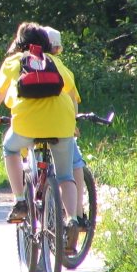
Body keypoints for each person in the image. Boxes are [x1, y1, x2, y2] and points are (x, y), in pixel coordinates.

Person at [0, 22, 80, 239]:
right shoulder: (54, 61)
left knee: (10, 148)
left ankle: (19, 201)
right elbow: (72, 94)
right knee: (65, 176)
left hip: (27, 124)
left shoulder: (14, 61)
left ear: (19, 43)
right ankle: (72, 220)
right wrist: (72, 123)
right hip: (61, 121)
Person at [43, 25, 89, 226]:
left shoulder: (25, 64)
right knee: (75, 163)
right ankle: (77, 214)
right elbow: (72, 99)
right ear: (57, 48)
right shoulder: (62, 68)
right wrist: (73, 123)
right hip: (60, 127)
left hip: (30, 128)